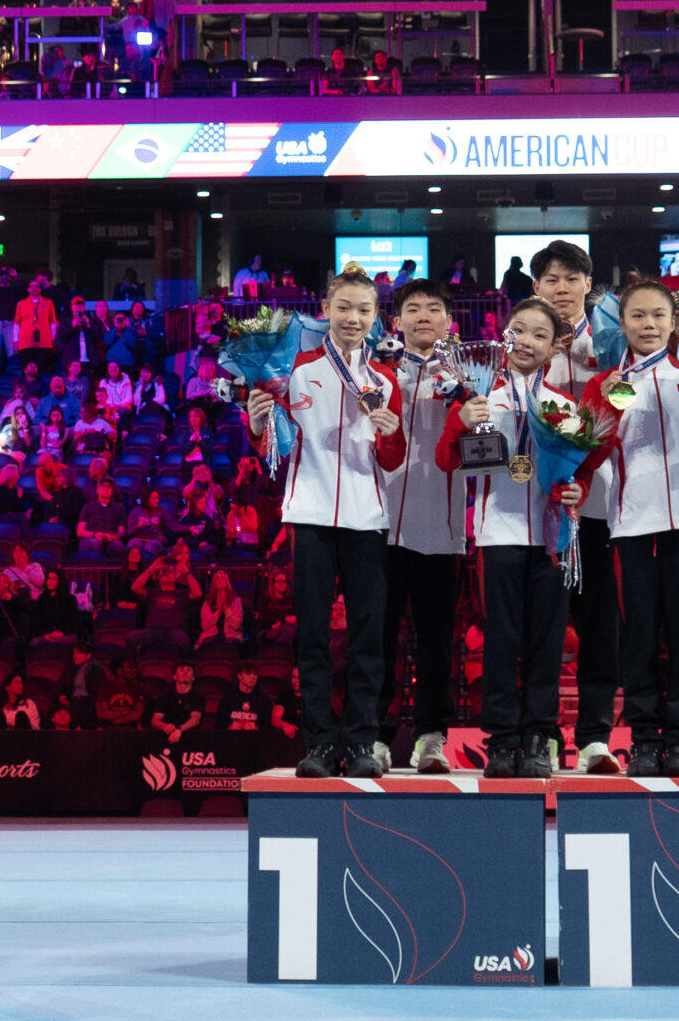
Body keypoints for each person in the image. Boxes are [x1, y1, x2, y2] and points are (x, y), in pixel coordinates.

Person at [245, 270, 407, 778]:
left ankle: (360, 743)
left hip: (366, 518)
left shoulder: (385, 380)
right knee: (312, 634)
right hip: (310, 515)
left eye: (364, 310)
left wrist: (390, 433)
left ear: (376, 316)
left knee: (367, 637)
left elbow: (393, 459)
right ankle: (318, 743)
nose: (353, 318)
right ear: (326, 309)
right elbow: (273, 447)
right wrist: (256, 423)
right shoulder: (292, 370)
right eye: (344, 307)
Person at [436, 299, 579, 777]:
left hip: (553, 539)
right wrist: (461, 421)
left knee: (546, 643)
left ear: (554, 348)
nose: (527, 341)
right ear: (503, 337)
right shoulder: (480, 396)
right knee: (500, 640)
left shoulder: (564, 407)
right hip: (497, 534)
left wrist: (576, 489)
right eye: (518, 330)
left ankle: (539, 738)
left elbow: (579, 472)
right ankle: (500, 740)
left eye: (540, 334)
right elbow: (446, 461)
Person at [586, 278, 679, 776]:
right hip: (632, 526)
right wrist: (605, 414)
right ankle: (643, 740)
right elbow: (590, 454)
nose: (648, 324)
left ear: (673, 321)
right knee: (638, 638)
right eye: (637, 316)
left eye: (658, 315)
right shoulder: (605, 384)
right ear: (622, 324)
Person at [531, 240, 623, 773]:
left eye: (571, 279)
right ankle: (541, 734)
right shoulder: (522, 346)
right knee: (543, 629)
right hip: (540, 511)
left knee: (599, 627)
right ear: (536, 288)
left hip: (600, 509)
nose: (562, 288)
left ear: (589, 285)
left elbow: (627, 414)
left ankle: (594, 738)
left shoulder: (612, 345)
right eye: (551, 279)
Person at [378, 279, 467, 774]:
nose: (423, 316)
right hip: (380, 525)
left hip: (441, 529)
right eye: (413, 309)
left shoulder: (468, 374)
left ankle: (431, 738)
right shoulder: (374, 372)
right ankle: (375, 736)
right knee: (380, 637)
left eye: (434, 308)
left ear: (449, 321)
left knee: (436, 641)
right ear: (397, 321)